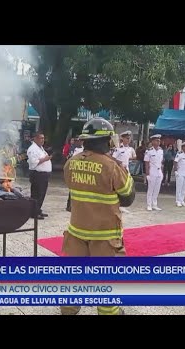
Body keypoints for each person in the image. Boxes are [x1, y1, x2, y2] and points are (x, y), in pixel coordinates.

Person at [61, 118, 135, 316]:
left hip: (76, 232)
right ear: (107, 141)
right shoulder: (111, 166)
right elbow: (128, 198)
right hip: (104, 236)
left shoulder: (71, 163)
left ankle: (68, 309)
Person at [27, 132, 52, 220]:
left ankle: (38, 210)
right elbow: (33, 162)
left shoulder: (40, 148)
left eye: (43, 138)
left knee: (42, 194)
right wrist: (45, 159)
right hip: (37, 174)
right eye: (41, 138)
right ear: (35, 139)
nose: (43, 140)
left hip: (44, 175)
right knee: (37, 194)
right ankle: (34, 212)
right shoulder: (32, 149)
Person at [112, 131, 137, 214]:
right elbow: (113, 158)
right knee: (119, 187)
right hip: (119, 170)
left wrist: (128, 160)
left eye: (129, 138)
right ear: (123, 139)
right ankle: (118, 205)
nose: (128, 140)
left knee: (126, 187)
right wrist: (119, 163)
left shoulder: (130, 149)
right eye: (127, 138)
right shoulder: (118, 148)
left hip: (126, 169)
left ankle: (122, 205)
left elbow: (133, 156)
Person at [144, 134, 164, 211]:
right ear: (152, 141)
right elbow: (146, 163)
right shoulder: (148, 151)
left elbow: (161, 161)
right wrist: (147, 174)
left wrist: (161, 171)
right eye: (156, 140)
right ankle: (149, 204)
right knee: (151, 189)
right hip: (152, 170)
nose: (158, 142)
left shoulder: (161, 150)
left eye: (159, 140)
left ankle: (154, 204)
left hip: (159, 171)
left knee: (157, 189)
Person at [66, 137, 84, 212]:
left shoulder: (84, 149)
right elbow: (71, 159)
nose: (79, 142)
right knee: (72, 189)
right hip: (75, 170)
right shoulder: (73, 149)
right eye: (78, 141)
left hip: (83, 171)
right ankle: (69, 206)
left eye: (81, 141)